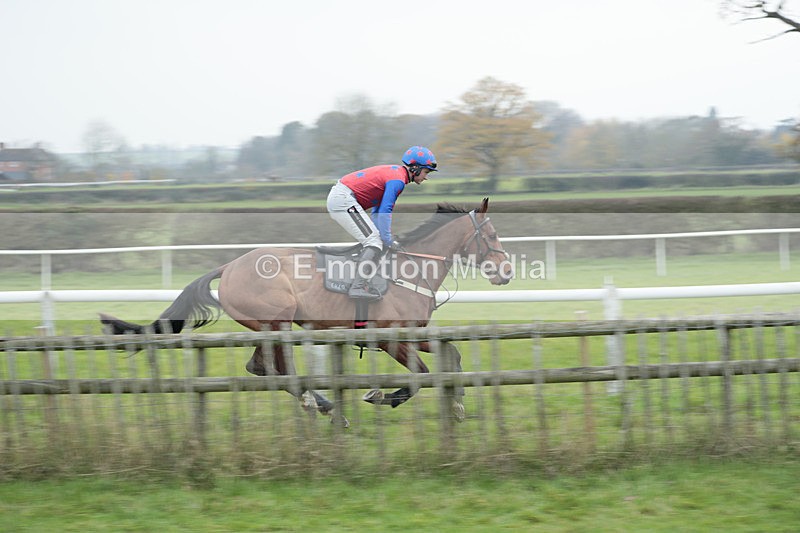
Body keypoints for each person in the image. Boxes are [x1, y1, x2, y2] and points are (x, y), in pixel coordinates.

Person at [326, 146, 438, 300]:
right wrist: (387, 239)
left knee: (376, 240)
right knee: (373, 241)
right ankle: (357, 287)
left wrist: (385, 238)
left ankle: (364, 280)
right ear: (416, 169)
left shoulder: (397, 176)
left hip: (342, 198)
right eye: (426, 172)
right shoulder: (397, 180)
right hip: (342, 199)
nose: (426, 177)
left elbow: (377, 211)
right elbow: (386, 210)